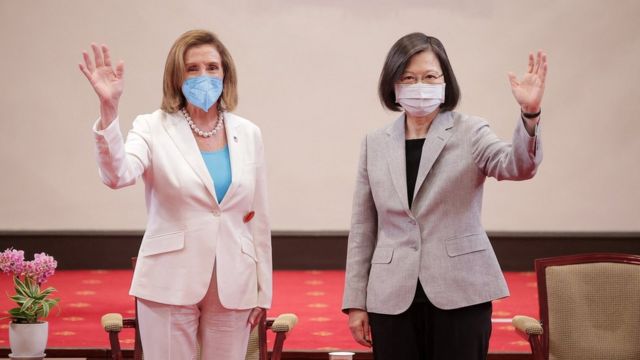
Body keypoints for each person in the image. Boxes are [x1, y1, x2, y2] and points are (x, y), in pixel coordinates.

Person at [342, 32, 547, 360]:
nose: (418, 85)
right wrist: (355, 302)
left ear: (445, 82)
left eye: (429, 76)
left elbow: (519, 166)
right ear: (392, 85)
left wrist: (530, 114)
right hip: (391, 296)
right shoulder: (375, 143)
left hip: (461, 292)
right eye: (407, 77)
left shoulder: (471, 131)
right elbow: (363, 227)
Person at [79, 29, 272, 359]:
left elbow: (257, 216)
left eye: (212, 67)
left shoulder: (248, 133)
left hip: (235, 280)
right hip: (169, 278)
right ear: (176, 76)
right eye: (192, 68)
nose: (204, 75)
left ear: (226, 73)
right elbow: (117, 175)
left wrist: (262, 290)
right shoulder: (152, 127)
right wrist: (109, 110)